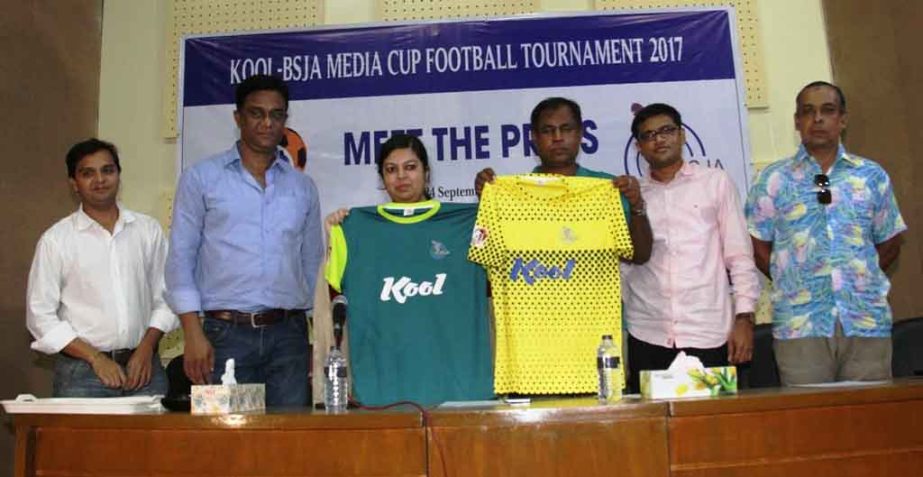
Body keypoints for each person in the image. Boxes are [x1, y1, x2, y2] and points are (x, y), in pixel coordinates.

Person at [166, 74, 323, 406]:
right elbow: (180, 260)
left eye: (276, 114)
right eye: (256, 113)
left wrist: (317, 340)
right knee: (225, 450)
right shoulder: (201, 179)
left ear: (285, 120)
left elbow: (313, 266)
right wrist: (192, 333)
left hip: (289, 337)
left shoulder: (302, 188)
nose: (267, 123)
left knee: (290, 446)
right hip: (223, 337)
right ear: (238, 118)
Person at [745, 81, 906, 385]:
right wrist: (793, 276)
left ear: (842, 120)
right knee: (809, 425)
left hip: (864, 320)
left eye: (827, 111)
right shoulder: (773, 179)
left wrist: (855, 273)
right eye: (808, 112)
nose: (817, 119)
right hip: (800, 324)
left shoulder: (871, 175)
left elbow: (891, 241)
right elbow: (757, 246)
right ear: (797, 121)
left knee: (869, 423)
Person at [322, 134, 493, 406]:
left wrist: (496, 206)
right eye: (391, 170)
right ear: (382, 178)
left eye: (410, 167)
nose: (401, 176)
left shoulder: (469, 225)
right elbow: (328, 303)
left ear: (426, 172)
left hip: (459, 392)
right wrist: (334, 233)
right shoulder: (352, 231)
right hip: (385, 395)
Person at [621, 103, 760, 392]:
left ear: (682, 135)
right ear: (639, 147)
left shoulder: (715, 183)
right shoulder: (632, 196)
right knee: (651, 429)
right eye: (649, 135)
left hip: (708, 333)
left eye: (666, 131)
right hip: (648, 333)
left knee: (711, 428)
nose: (659, 139)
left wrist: (744, 318)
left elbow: (740, 256)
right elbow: (624, 264)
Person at [26, 138, 177, 397]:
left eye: (107, 170)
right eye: (88, 173)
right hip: (83, 373)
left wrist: (146, 348)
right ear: (74, 183)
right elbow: (40, 316)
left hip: (144, 369)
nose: (100, 180)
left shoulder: (146, 230)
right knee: (89, 441)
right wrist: (96, 358)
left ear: (119, 175)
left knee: (151, 440)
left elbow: (168, 296)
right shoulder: (56, 240)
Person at [474, 97, 652, 264]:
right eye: (547, 130)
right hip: (532, 297)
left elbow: (640, 256)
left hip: (594, 297)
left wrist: (637, 205)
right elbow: (483, 255)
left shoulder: (611, 188)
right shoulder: (514, 195)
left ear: (580, 134)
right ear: (534, 137)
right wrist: (486, 209)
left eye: (566, 129)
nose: (557, 137)